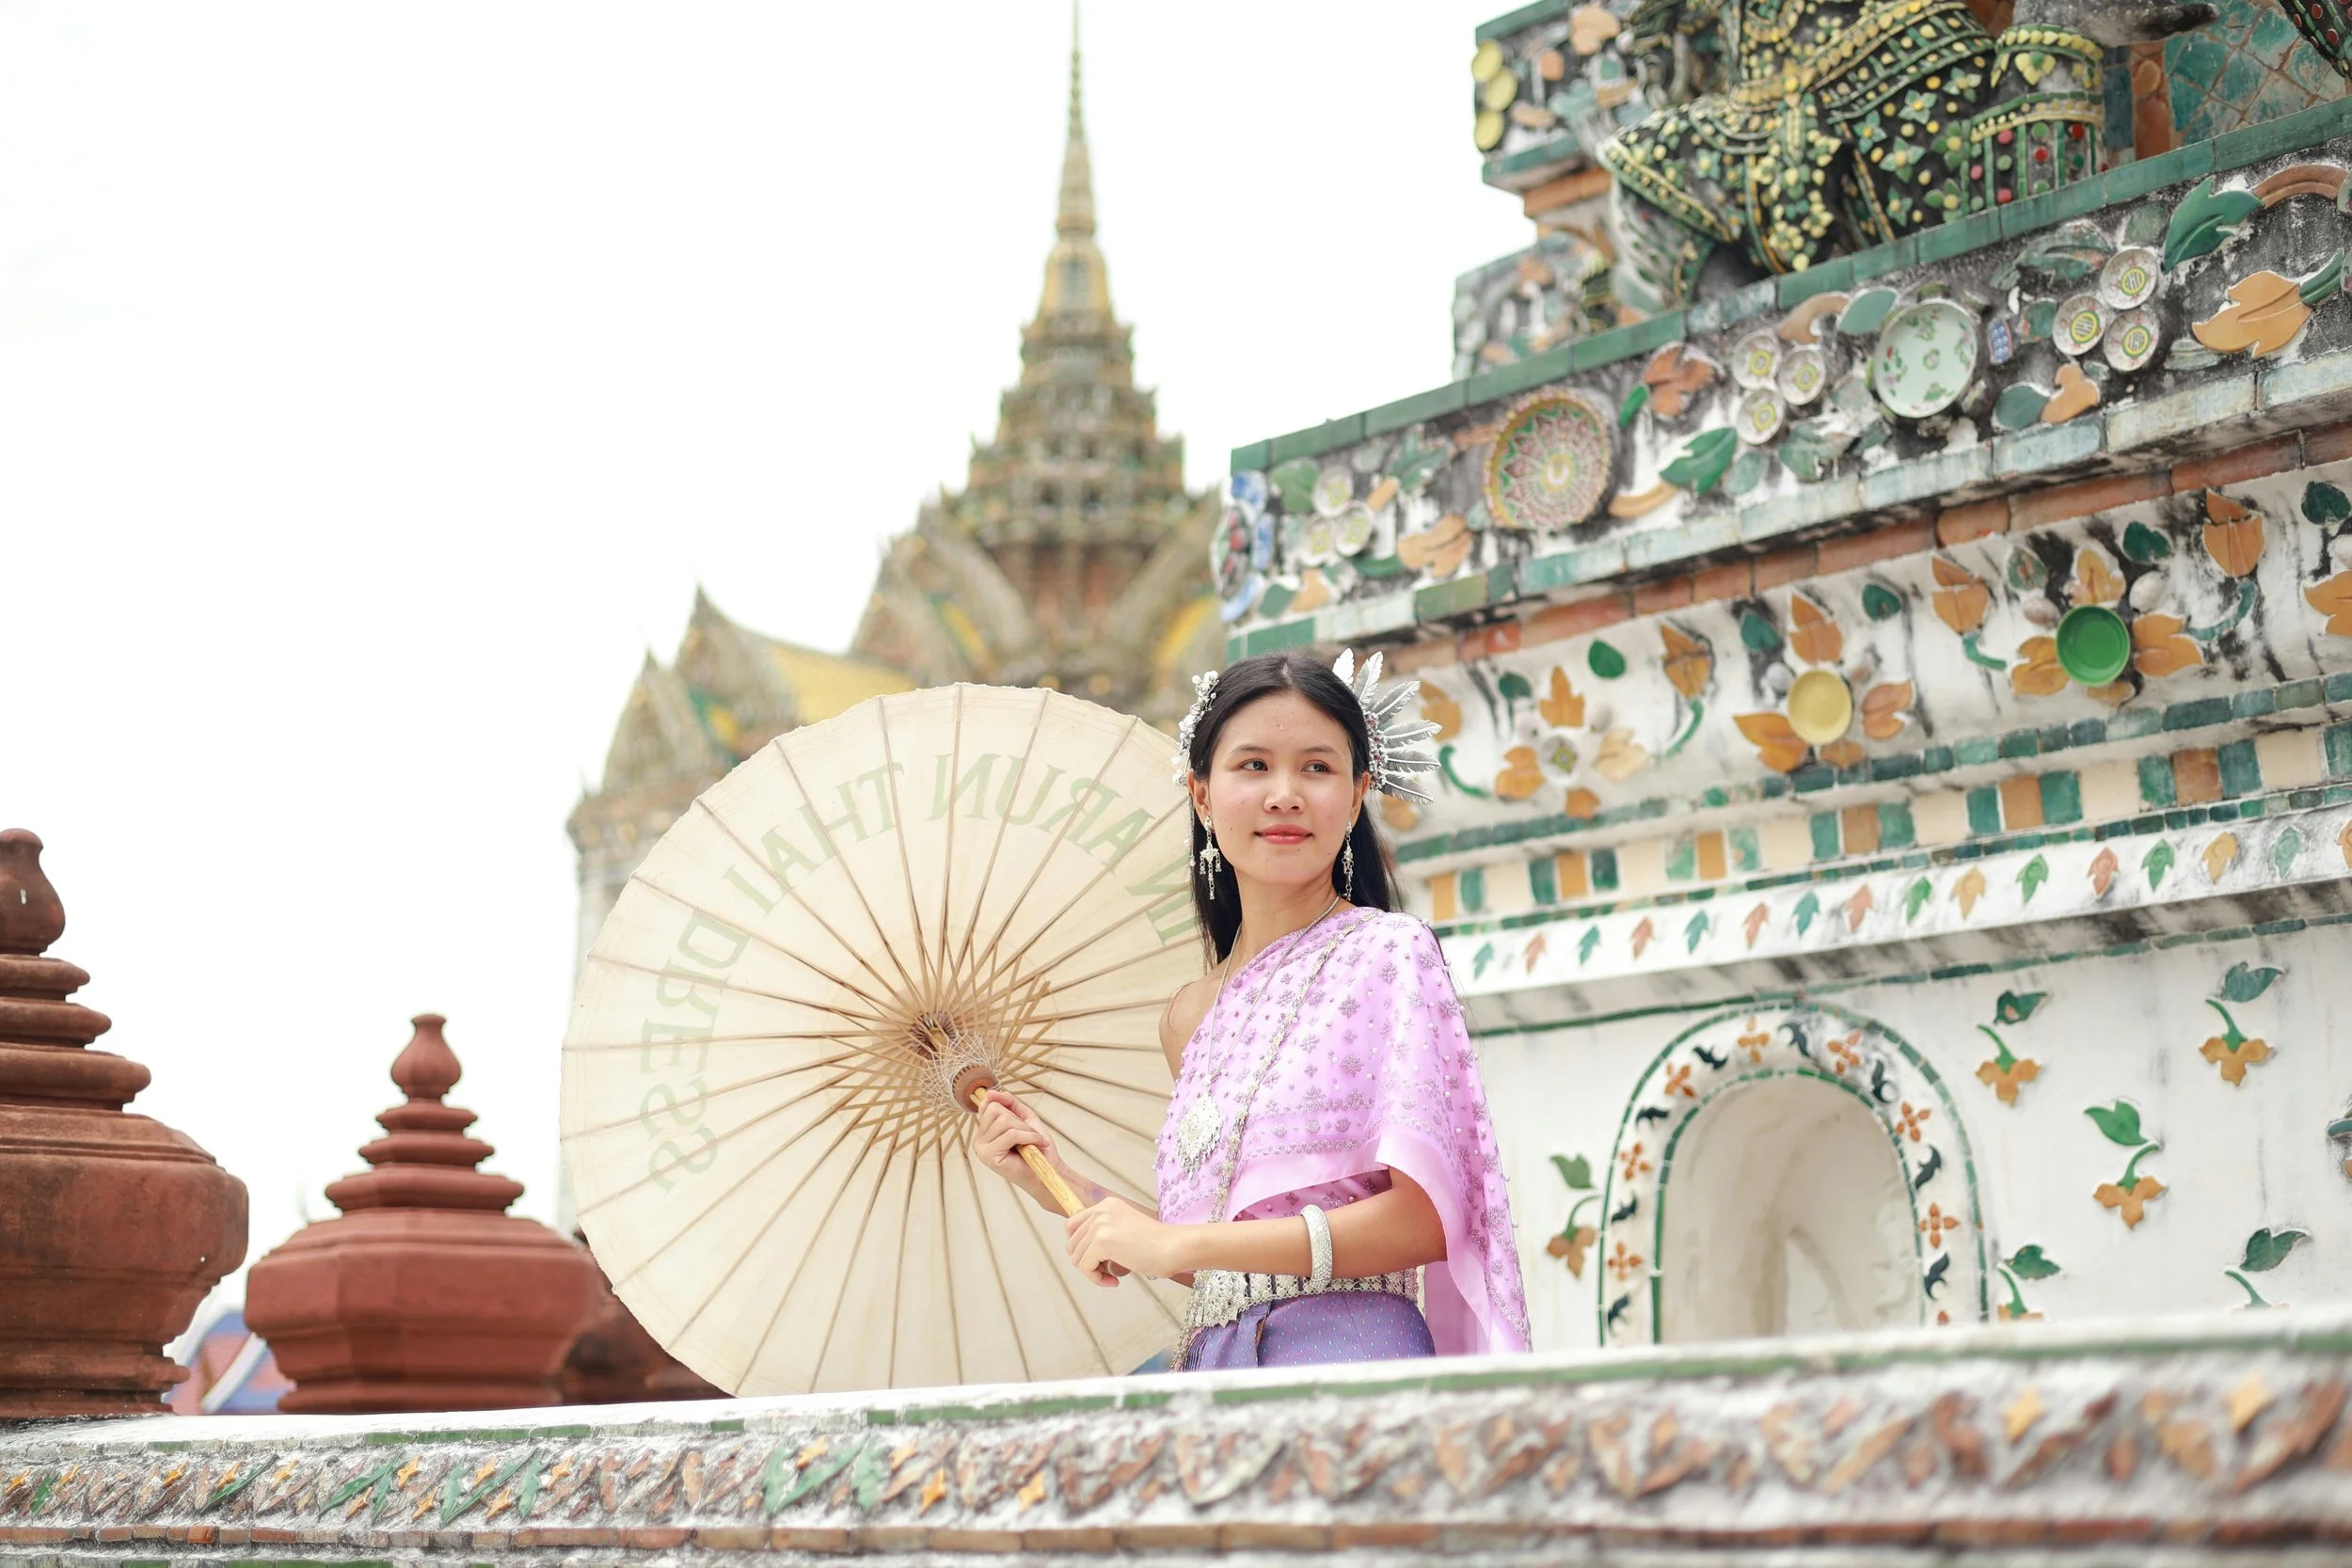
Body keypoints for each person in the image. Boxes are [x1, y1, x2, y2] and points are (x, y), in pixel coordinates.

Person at [971, 650, 1531, 1370]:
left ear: (1358, 794)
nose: (1285, 794)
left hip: (1348, 1359)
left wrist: (1184, 1243)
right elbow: (1224, 1264)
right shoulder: (1188, 1017)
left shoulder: (1387, 954)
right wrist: (1058, 1182)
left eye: (1318, 768)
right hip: (1213, 1361)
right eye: (1254, 765)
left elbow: (1426, 1219)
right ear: (1202, 794)